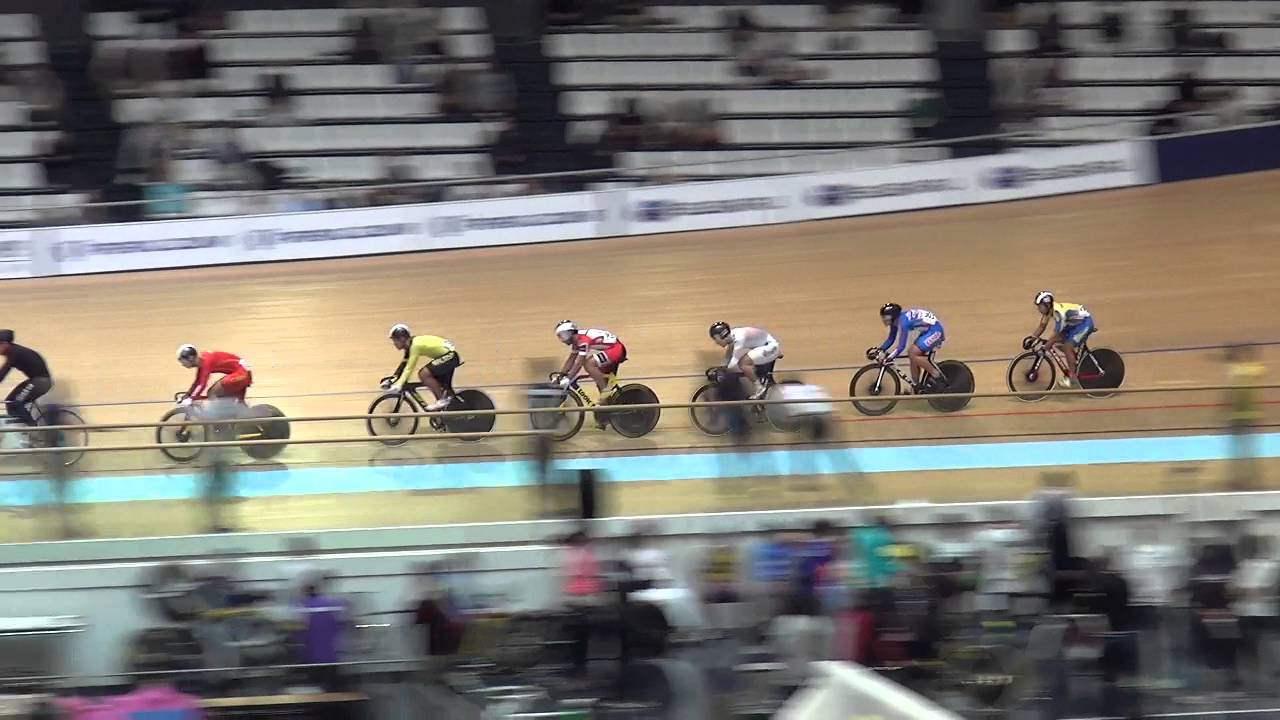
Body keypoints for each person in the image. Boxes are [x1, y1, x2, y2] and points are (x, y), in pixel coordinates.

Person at [385, 323, 461, 411]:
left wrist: (399, 384)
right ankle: (445, 406)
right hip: (447, 356)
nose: (394, 343)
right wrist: (392, 380)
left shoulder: (415, 346)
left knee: (424, 374)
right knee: (439, 385)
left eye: (395, 340)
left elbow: (409, 368)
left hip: (450, 356)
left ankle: (442, 400)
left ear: (402, 338)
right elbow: (403, 365)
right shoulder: (410, 346)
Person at [868, 303, 944, 390]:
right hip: (928, 332)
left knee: (912, 353)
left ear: (892, 316)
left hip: (935, 331)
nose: (884, 319)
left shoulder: (903, 322)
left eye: (885, 317)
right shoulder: (896, 321)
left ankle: (936, 375)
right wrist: (880, 350)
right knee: (913, 357)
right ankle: (916, 387)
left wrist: (890, 357)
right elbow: (891, 339)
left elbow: (901, 346)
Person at [1027, 290, 1094, 387]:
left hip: (1084, 324)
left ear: (1047, 305)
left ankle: (1072, 377)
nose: (1038, 309)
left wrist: (1046, 346)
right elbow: (1042, 326)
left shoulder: (1059, 313)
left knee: (1067, 346)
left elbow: (1057, 335)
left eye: (1039, 306)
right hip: (1073, 324)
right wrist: (1032, 338)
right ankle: (1074, 360)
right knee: (1058, 344)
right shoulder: (1049, 312)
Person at [554, 320, 626, 403]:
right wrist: (561, 375)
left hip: (616, 350)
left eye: (562, 335)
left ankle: (606, 392)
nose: (561, 339)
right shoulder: (577, 340)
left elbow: (579, 363)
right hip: (612, 349)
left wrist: (569, 378)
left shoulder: (583, 341)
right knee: (601, 382)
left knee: (589, 364)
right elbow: (571, 359)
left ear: (569, 333)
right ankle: (607, 407)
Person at [0, 329, 52, 435]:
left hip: (40, 381)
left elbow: (3, 372)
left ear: (5, 344)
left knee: (18, 401)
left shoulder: (14, 352)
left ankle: (35, 431)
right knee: (9, 401)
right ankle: (22, 432)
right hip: (35, 380)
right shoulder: (13, 351)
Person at [710, 321, 780, 399]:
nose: (716, 342)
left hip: (770, 347)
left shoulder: (739, 339)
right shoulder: (732, 337)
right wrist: (721, 367)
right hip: (765, 346)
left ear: (722, 336)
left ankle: (759, 387)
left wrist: (722, 371)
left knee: (743, 363)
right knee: (743, 365)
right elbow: (728, 356)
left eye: (715, 339)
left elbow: (733, 362)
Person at [177, 344, 252, 403]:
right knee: (237, 403)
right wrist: (188, 394)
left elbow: (202, 384)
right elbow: (197, 382)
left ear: (190, 358)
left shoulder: (206, 363)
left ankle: (221, 418)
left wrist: (191, 399)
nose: (182, 364)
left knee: (212, 393)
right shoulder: (202, 361)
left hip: (242, 373)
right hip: (242, 373)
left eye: (182, 361)